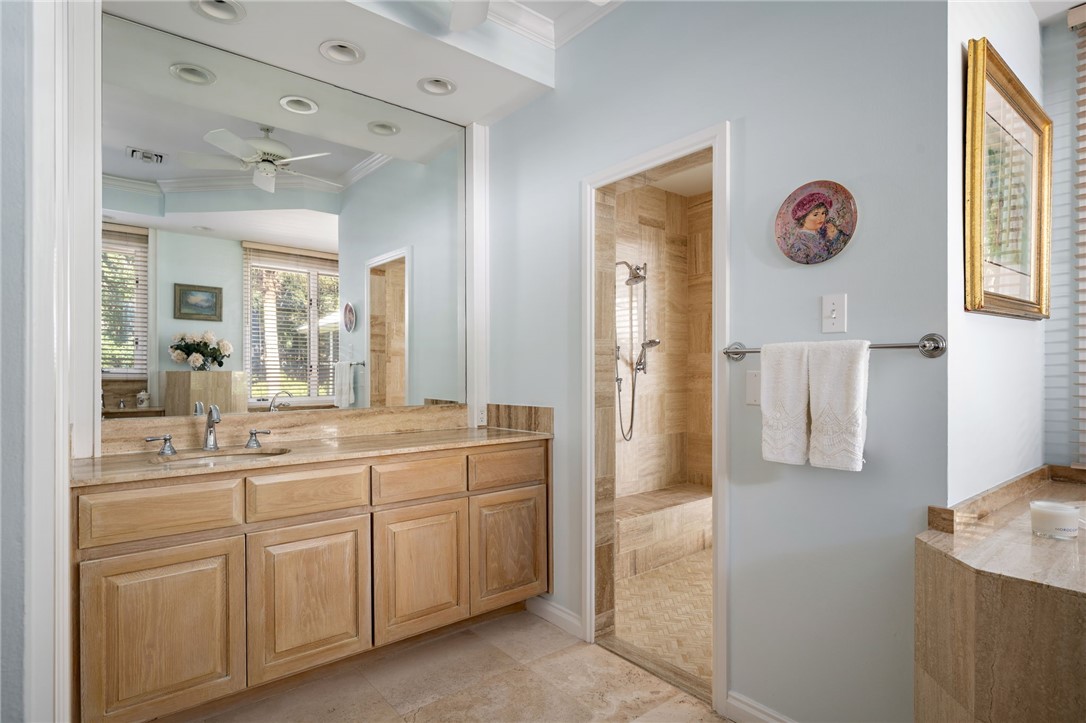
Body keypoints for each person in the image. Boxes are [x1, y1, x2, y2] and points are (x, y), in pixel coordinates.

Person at [783, 191, 850, 264]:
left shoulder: (824, 233)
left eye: (823, 213)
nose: (821, 218)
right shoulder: (799, 244)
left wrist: (835, 235)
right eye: (815, 214)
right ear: (802, 219)